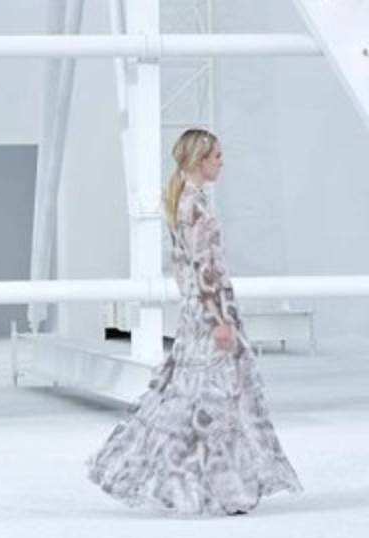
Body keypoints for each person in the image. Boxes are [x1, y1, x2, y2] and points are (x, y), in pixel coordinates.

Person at [87, 128, 301, 516]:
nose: (221, 162)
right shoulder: (193, 206)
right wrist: (218, 320)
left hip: (200, 311)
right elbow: (205, 270)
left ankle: (214, 487)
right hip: (209, 314)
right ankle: (208, 487)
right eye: (217, 156)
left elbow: (188, 269)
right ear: (200, 160)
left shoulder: (185, 200)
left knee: (202, 398)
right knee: (213, 400)